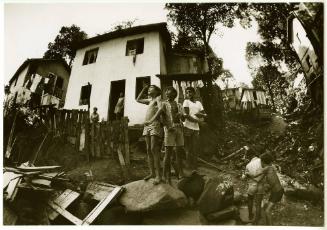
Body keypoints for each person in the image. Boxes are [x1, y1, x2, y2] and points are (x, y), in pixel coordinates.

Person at [147, 86, 185, 184]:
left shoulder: (179, 104)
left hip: (179, 129)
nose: (167, 93)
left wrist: (181, 116)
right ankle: (164, 175)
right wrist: (167, 127)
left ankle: (180, 173)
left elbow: (184, 119)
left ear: (174, 94)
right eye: (166, 92)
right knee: (168, 154)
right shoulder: (163, 104)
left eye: (169, 92)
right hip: (169, 130)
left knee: (179, 152)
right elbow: (161, 116)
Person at [136, 84, 163, 185]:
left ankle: (159, 176)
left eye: (151, 88)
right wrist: (143, 89)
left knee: (153, 149)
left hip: (154, 124)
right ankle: (152, 173)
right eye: (149, 88)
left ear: (156, 91)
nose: (149, 89)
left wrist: (151, 120)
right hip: (147, 126)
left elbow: (160, 109)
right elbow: (137, 99)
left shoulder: (158, 99)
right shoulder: (150, 100)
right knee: (148, 150)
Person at [183, 87, 206, 170]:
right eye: (187, 93)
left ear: (194, 93)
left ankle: (195, 165)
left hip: (196, 128)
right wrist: (199, 121)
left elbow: (203, 114)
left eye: (190, 92)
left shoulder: (198, 103)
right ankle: (188, 165)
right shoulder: (186, 102)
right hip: (188, 127)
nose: (188, 94)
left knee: (195, 147)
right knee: (188, 148)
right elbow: (186, 115)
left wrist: (202, 117)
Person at [260, 152, 284, 225]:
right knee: (265, 208)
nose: (260, 162)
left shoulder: (268, 172)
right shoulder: (270, 167)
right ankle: (268, 224)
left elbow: (270, 185)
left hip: (277, 192)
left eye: (260, 161)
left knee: (267, 211)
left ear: (263, 162)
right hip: (276, 191)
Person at [243, 156, 265, 224]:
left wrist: (247, 174)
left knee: (250, 200)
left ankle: (250, 215)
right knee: (258, 204)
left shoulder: (248, 165)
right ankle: (257, 220)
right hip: (260, 185)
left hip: (252, 185)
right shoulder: (262, 163)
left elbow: (244, 177)